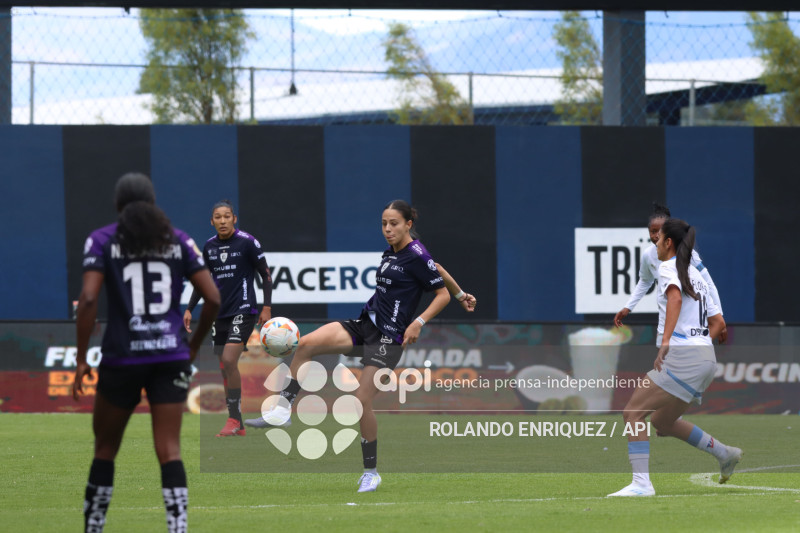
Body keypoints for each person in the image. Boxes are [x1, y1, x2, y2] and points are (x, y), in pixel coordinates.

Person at [244, 199, 476, 493]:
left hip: (389, 339)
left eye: (394, 223)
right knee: (306, 344)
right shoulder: (393, 253)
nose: (388, 229)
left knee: (359, 401)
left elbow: (438, 292)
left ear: (408, 224)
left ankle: (371, 473)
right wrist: (462, 294)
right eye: (384, 223)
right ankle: (282, 410)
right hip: (365, 325)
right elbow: (438, 268)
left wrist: (419, 321)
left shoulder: (416, 254)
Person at [72, 173, 220, 532]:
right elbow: (213, 298)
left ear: (118, 206)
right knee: (169, 449)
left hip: (122, 357)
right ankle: (178, 527)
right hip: (170, 356)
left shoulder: (102, 239)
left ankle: (94, 526)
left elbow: (89, 298)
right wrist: (194, 345)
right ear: (152, 203)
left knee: (105, 448)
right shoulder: (179, 240)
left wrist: (80, 357)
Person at [608, 218, 741, 497]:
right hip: (705, 358)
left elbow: (675, 300)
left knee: (633, 413)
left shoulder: (669, 267)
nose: (654, 243)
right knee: (662, 422)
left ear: (669, 242)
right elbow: (719, 321)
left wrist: (666, 341)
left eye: (658, 239)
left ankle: (642, 484)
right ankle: (725, 453)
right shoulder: (695, 274)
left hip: (684, 356)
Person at [183, 200, 273, 437]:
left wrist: (267, 307)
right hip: (218, 314)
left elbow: (265, 275)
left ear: (234, 219)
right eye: (217, 217)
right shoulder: (209, 246)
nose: (222, 221)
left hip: (243, 310)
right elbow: (203, 281)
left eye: (226, 216)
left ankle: (232, 418)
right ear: (212, 221)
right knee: (224, 367)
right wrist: (190, 308)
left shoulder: (247, 242)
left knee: (228, 358)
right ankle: (239, 423)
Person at [614, 203, 726, 345]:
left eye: (660, 232)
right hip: (666, 331)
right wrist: (628, 307)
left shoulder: (687, 257)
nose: (656, 236)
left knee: (679, 363)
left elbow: (707, 284)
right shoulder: (648, 255)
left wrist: (719, 318)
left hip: (688, 330)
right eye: (652, 231)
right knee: (670, 364)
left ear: (669, 234)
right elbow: (645, 281)